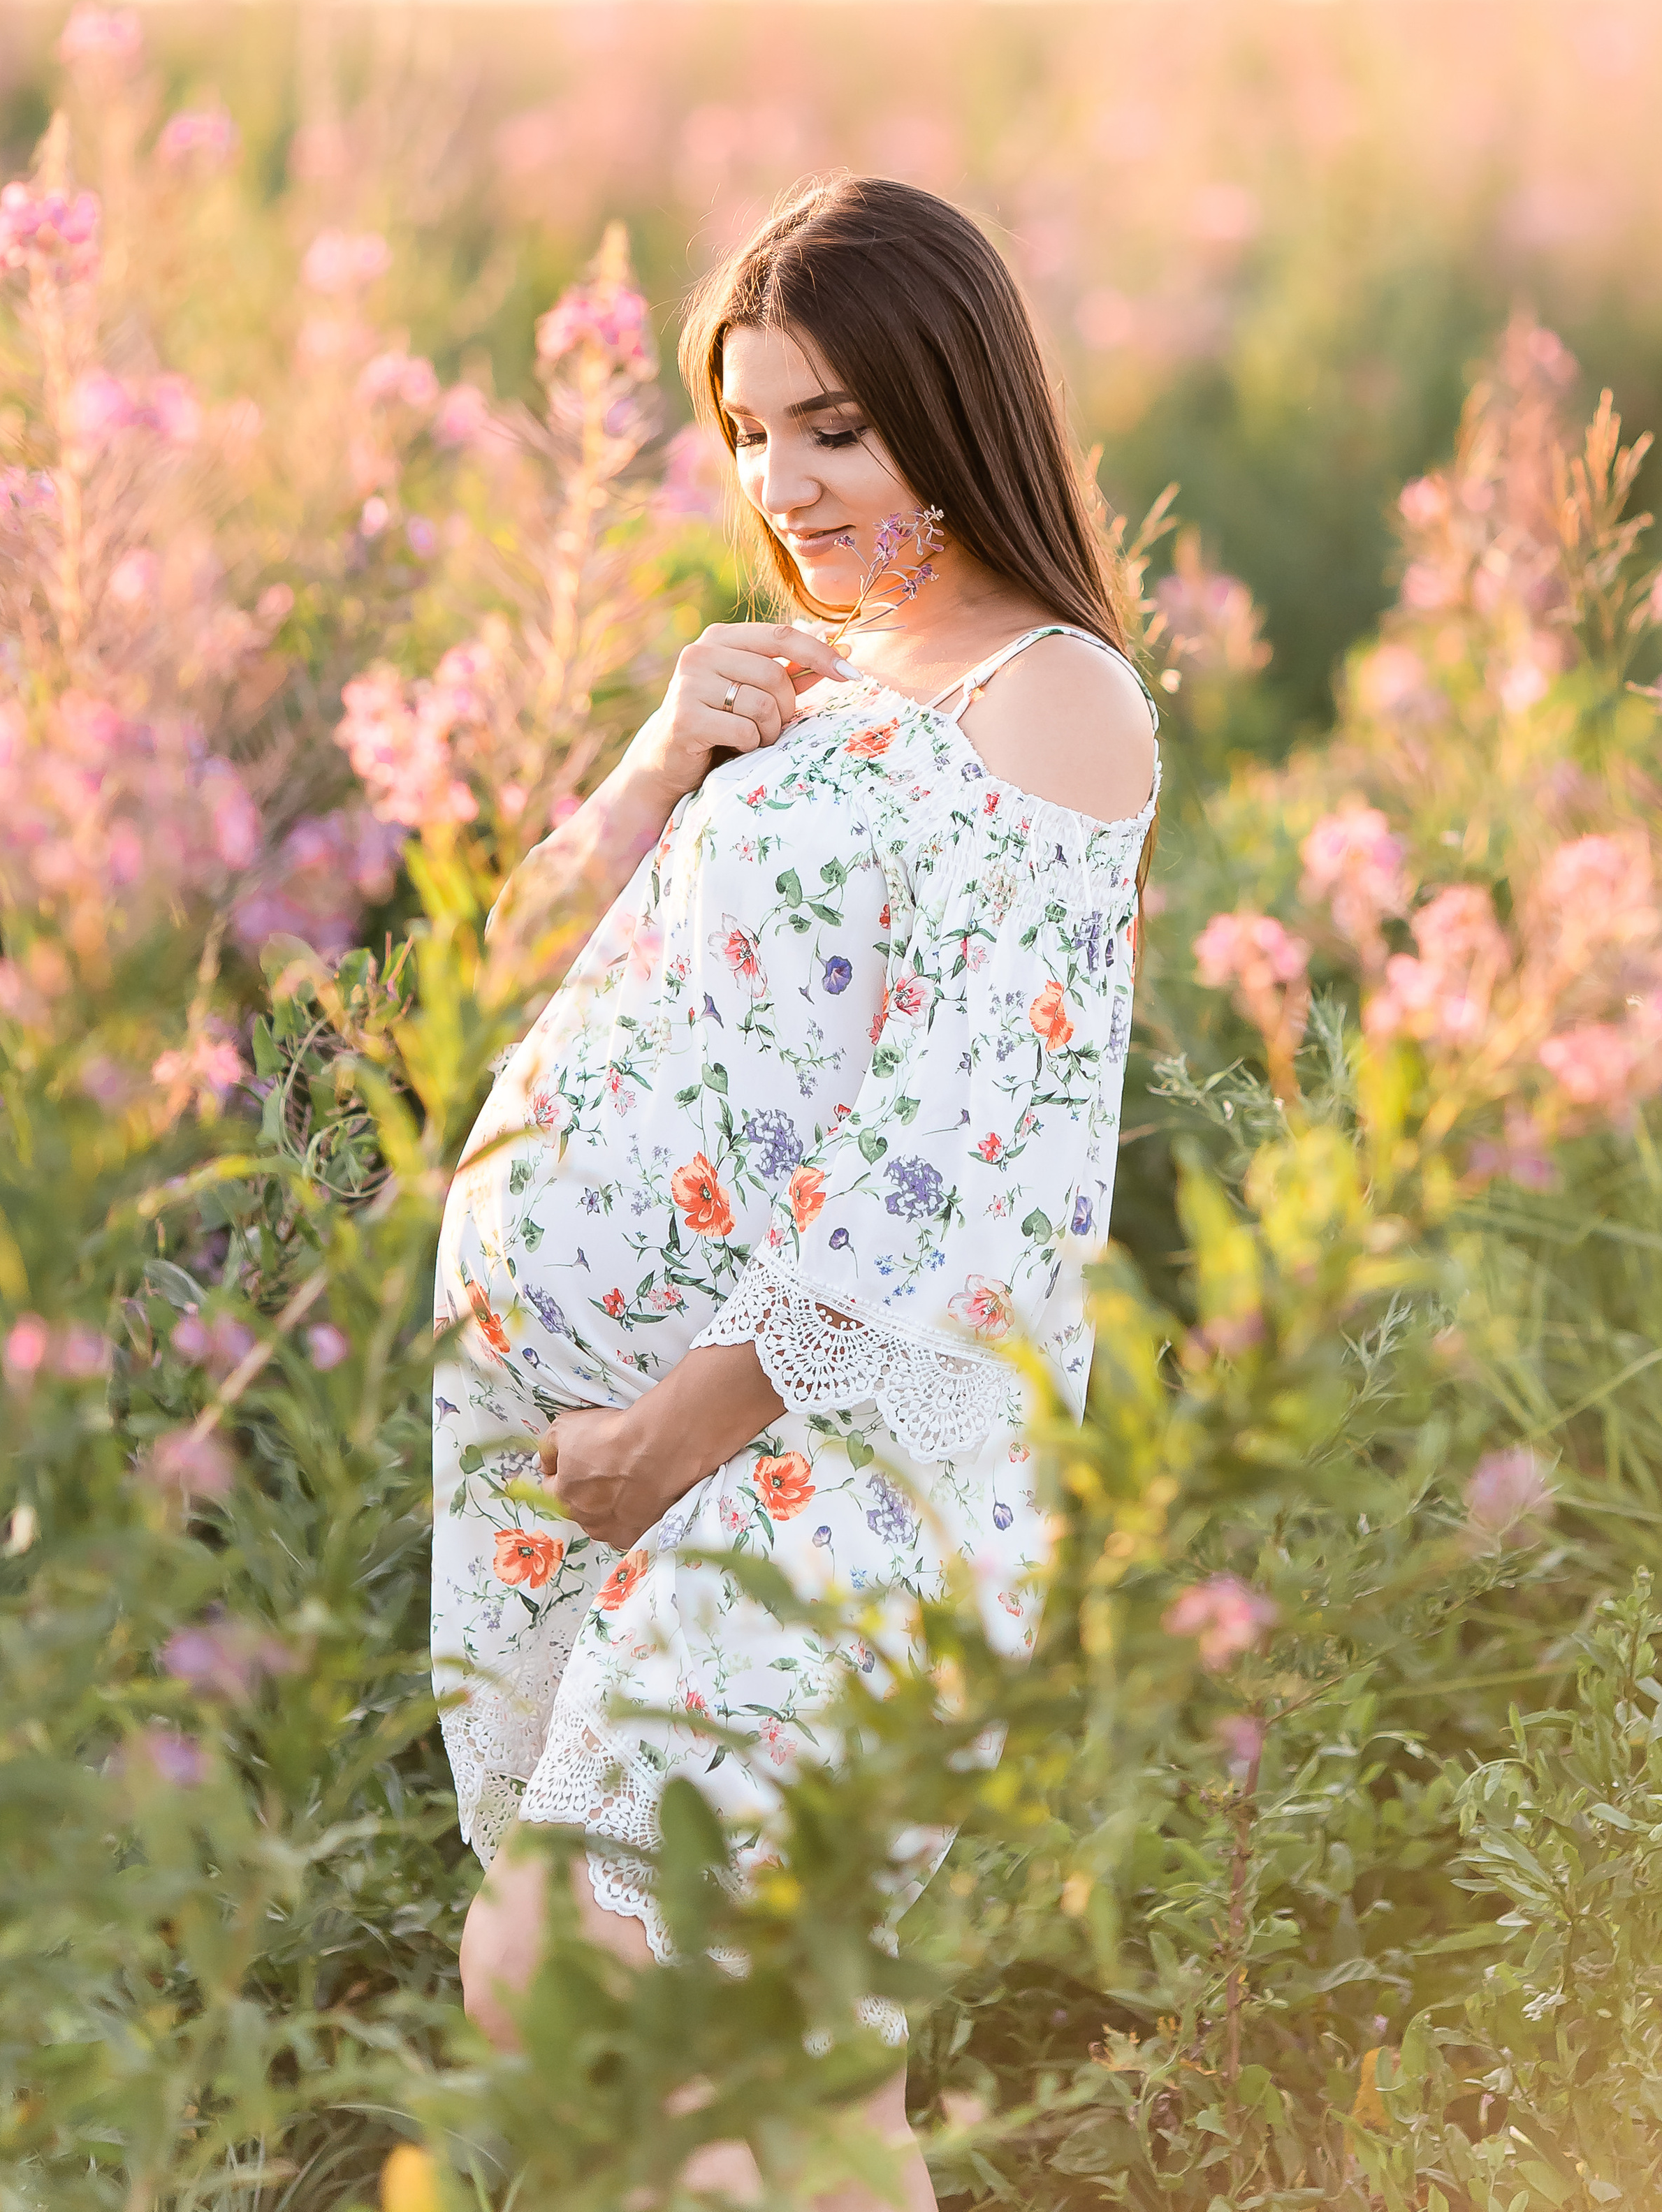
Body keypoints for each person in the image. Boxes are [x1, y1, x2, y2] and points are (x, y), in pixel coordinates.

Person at [435, 175, 1158, 2209]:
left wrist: (680, 1427)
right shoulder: (804, 680)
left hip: (836, 1446)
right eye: (752, 431)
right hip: (636, 1447)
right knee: (796, 2073)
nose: (784, 482)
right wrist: (661, 752)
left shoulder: (1050, 698)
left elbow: (962, 1147)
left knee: (578, 1967)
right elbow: (505, 962)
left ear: (954, 404)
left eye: (835, 427)